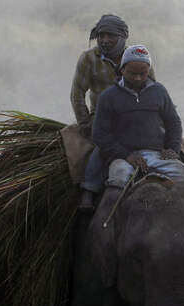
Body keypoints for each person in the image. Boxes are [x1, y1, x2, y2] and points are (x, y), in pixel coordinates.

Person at [92, 45, 184, 207]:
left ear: (148, 70)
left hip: (155, 155)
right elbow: (99, 134)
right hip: (124, 157)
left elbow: (173, 122)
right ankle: (106, 224)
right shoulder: (108, 96)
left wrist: (172, 148)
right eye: (133, 73)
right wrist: (126, 155)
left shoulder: (159, 91)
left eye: (143, 73)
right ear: (122, 69)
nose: (138, 78)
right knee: (117, 181)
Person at [71, 14, 155, 211]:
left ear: (123, 37)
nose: (105, 40)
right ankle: (89, 189)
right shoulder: (89, 59)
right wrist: (85, 125)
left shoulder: (138, 58)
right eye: (101, 35)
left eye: (111, 36)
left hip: (135, 117)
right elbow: (77, 94)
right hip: (102, 119)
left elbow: (152, 92)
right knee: (103, 146)